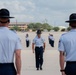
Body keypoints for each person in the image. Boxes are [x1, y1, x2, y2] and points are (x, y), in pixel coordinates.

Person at [0, 8, 22, 75]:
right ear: (9, 21)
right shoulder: (14, 36)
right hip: (9, 68)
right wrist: (18, 72)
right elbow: (18, 55)